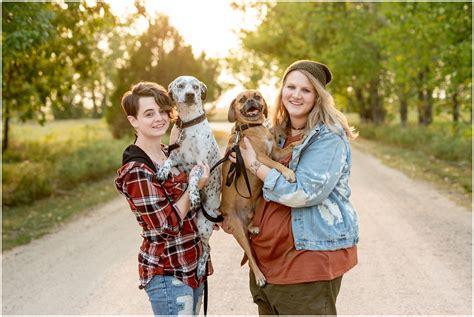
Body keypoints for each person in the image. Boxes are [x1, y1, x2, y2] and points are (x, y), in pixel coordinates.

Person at [225, 60, 359, 315]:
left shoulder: (328, 137)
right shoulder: (275, 134)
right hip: (267, 262)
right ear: (282, 91)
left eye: (306, 90)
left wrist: (254, 165)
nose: (296, 95)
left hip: (305, 264)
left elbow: (303, 192)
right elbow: (249, 189)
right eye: (291, 87)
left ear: (318, 96)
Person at [114, 81, 211, 315]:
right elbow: (165, 226)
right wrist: (193, 187)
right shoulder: (136, 169)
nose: (159, 118)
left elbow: (197, 206)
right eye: (149, 113)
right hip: (167, 272)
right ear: (133, 121)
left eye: (162, 111)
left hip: (191, 264)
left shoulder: (171, 153)